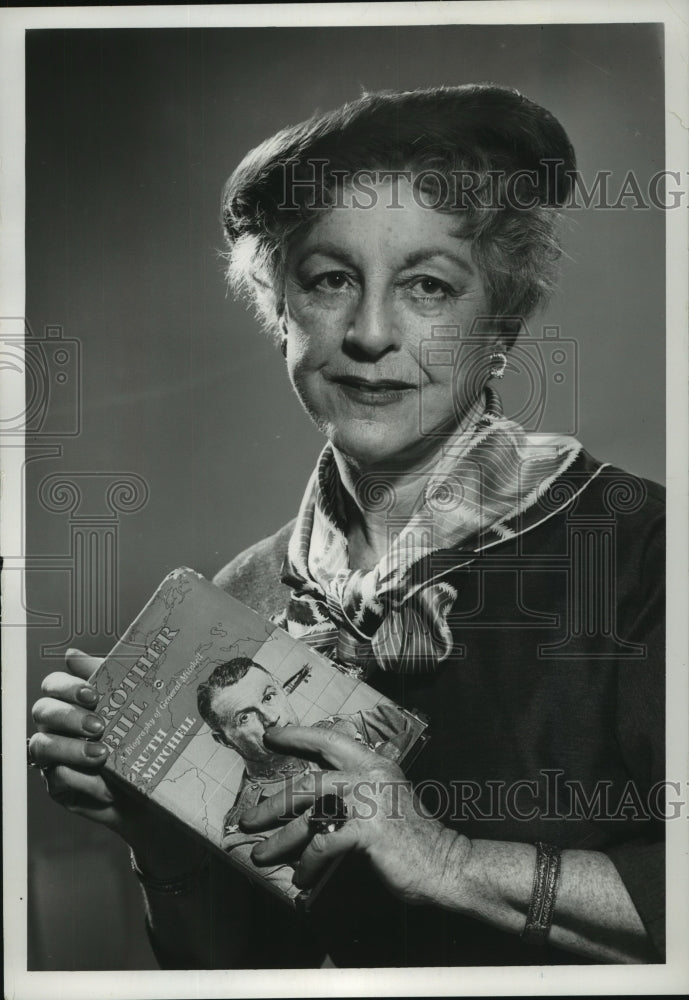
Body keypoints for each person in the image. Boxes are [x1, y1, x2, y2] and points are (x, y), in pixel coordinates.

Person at [28, 85, 664, 968]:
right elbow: (241, 975)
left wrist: (447, 860)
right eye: (330, 280)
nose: (369, 332)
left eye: (428, 286)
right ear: (280, 311)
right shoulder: (240, 595)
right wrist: (163, 840)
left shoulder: (641, 549)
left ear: (502, 327)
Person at [195, 656, 418, 900]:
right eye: (245, 718)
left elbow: (414, 727)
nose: (271, 718)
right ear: (225, 740)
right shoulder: (245, 836)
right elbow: (318, 904)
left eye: (269, 697)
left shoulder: (338, 729)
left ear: (281, 690)